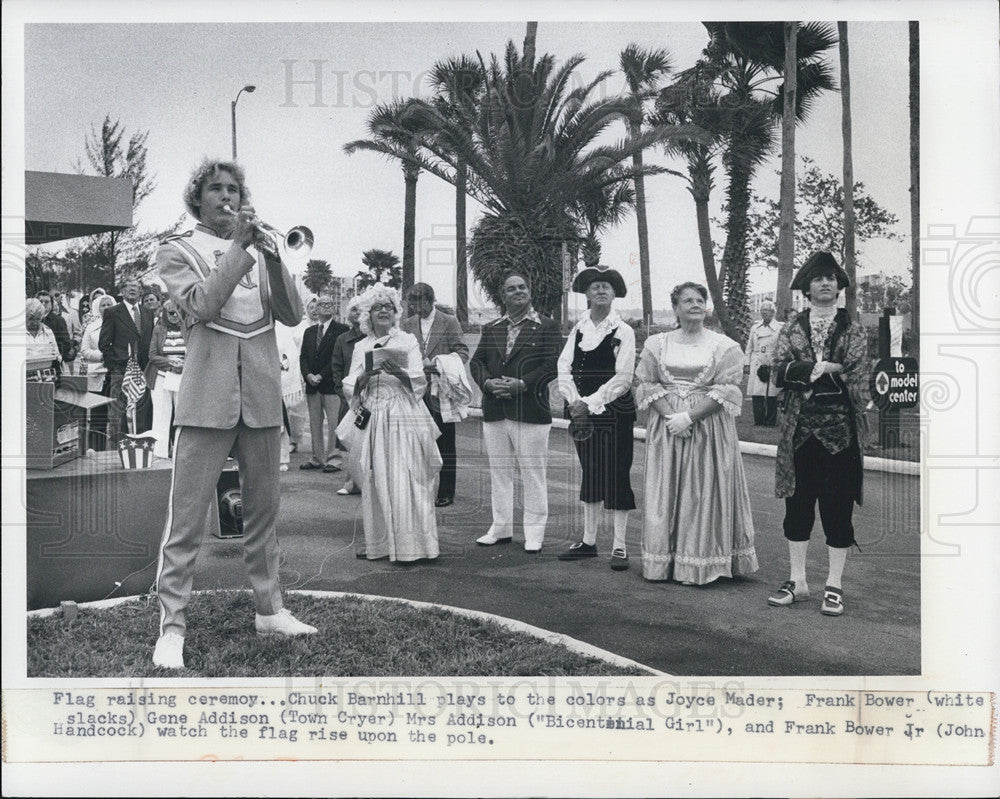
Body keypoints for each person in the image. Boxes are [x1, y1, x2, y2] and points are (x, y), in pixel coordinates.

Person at [151, 158, 316, 670]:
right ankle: (172, 625)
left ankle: (269, 608)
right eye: (216, 189)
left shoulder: (260, 247)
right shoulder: (175, 250)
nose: (227, 196)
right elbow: (202, 305)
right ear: (196, 198)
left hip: (261, 396)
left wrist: (269, 256)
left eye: (233, 189)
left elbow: (291, 313)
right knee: (187, 518)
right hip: (206, 398)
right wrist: (242, 247)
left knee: (263, 513)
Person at [635, 281, 758, 585]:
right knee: (667, 490)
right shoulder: (656, 344)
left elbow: (727, 388)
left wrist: (689, 416)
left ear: (707, 306)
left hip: (708, 427)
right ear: (675, 308)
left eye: (699, 299)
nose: (695, 304)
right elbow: (647, 383)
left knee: (703, 492)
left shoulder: (725, 346)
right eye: (687, 300)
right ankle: (666, 563)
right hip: (667, 427)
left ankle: (701, 562)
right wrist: (671, 417)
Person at [768, 251, 868, 617]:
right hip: (798, 432)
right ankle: (798, 581)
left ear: (839, 286)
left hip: (840, 434)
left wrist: (822, 371)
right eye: (817, 278)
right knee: (797, 507)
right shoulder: (791, 328)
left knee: (837, 509)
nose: (825, 283)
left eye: (831, 278)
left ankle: (834, 586)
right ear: (807, 288)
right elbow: (778, 370)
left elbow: (857, 375)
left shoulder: (853, 329)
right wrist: (820, 368)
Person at [336, 284, 441, 562]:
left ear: (396, 313)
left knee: (408, 476)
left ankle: (415, 546)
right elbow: (350, 385)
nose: (383, 311)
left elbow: (419, 379)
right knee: (375, 477)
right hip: (373, 415)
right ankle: (380, 544)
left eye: (388, 307)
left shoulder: (407, 341)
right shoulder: (362, 346)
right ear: (367, 315)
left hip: (404, 414)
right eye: (377, 307)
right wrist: (364, 376)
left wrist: (401, 373)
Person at [469, 272, 560, 553]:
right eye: (511, 289)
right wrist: (486, 383)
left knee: (533, 473)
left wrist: (524, 384)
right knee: (499, 472)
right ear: (503, 295)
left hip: (530, 411)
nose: (518, 291)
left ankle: (534, 534)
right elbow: (477, 362)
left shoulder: (546, 326)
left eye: (522, 287)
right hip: (496, 411)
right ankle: (501, 528)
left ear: (530, 292)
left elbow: (552, 364)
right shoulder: (492, 327)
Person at [556, 266, 637, 570]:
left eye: (606, 287)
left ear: (614, 294)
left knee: (616, 472)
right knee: (591, 471)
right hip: (582, 416)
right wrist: (574, 401)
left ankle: (619, 546)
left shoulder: (623, 331)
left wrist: (590, 403)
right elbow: (564, 367)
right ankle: (589, 541)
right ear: (587, 294)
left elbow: (624, 377)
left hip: (614, 412)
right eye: (595, 287)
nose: (601, 291)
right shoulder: (578, 329)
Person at [401, 282, 470, 508]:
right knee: (418, 442)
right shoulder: (408, 324)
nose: (416, 307)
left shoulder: (449, 321)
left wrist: (439, 364)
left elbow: (462, 352)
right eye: (413, 302)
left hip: (441, 391)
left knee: (445, 443)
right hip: (416, 393)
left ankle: (446, 491)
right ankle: (420, 489)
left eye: (420, 302)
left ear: (431, 300)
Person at [299, 291, 348, 472]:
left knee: (334, 422)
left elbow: (337, 358)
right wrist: (308, 375)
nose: (326, 306)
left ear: (334, 309)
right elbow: (303, 357)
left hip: (331, 385)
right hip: (312, 386)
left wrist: (321, 375)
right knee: (314, 423)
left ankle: (334, 459)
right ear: (316, 309)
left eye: (329, 304)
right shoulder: (309, 332)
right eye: (322, 304)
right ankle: (317, 457)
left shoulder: (341, 330)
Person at [99, 277, 154, 438]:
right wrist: (114, 366)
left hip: (145, 370)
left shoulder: (147, 312)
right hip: (121, 371)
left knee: (142, 410)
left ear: (140, 291)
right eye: (128, 286)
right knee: (119, 411)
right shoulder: (113, 312)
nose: (132, 289)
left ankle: (141, 444)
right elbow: (104, 343)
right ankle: (119, 447)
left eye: (136, 286)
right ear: (122, 291)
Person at [331, 297, 366, 495]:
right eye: (353, 310)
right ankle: (350, 481)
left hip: (370, 398)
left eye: (360, 310)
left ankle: (365, 482)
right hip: (348, 398)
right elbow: (336, 368)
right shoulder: (342, 339)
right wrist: (342, 392)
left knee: (367, 439)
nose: (357, 313)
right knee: (349, 440)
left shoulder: (372, 338)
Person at [145, 299, 186, 459]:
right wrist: (170, 363)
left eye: (178, 311)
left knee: (182, 416)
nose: (175, 315)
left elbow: (196, 352)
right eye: (171, 312)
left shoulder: (188, 328)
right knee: (161, 415)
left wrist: (184, 364)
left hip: (184, 376)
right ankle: (160, 453)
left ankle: (180, 452)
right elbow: (153, 355)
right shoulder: (159, 329)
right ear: (165, 313)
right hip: (161, 376)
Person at [79, 295, 117, 449]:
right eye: (103, 305)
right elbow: (84, 351)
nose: (106, 307)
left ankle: (116, 452)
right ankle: (96, 450)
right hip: (97, 375)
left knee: (117, 417)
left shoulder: (122, 325)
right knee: (97, 417)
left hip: (116, 374)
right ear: (97, 308)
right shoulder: (91, 327)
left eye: (109, 304)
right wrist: (102, 356)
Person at [746, 299, 782, 426]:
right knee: (757, 393)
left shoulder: (779, 328)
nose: (764, 313)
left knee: (772, 393)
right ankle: (759, 421)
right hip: (757, 362)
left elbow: (782, 347)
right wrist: (747, 363)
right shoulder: (755, 327)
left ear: (773, 312)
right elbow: (749, 347)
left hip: (772, 361)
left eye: (767, 310)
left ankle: (771, 421)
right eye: (762, 310)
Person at [36, 290, 72, 364]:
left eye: (46, 302)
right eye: (40, 301)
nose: (43, 304)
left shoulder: (59, 320)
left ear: (51, 304)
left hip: (53, 361)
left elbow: (66, 343)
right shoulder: (31, 320)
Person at [25, 298, 61, 365]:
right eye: (31, 319)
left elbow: (57, 355)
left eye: (38, 319)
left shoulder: (48, 332)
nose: (35, 322)